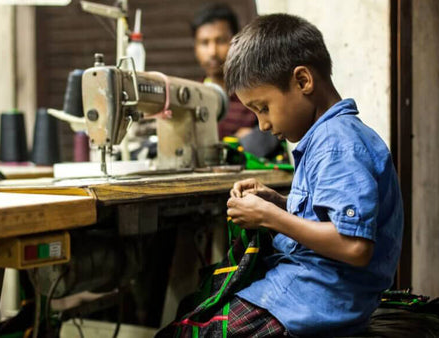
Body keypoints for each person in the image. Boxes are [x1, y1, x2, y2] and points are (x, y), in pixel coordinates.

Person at [160, 13, 404, 337]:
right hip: (311, 291)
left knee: (188, 332)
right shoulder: (326, 137)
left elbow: (355, 246)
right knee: (192, 314)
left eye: (263, 107)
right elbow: (326, 215)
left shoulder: (337, 143)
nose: (262, 124)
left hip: (315, 301)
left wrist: (271, 217)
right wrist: (279, 202)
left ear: (303, 81)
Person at [191, 3, 281, 158]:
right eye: (205, 43)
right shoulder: (191, 96)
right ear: (195, 48)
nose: (212, 52)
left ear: (235, 41)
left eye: (220, 41)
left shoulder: (255, 93)